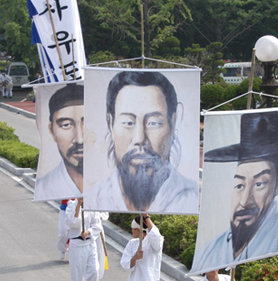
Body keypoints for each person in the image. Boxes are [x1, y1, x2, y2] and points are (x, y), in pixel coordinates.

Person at [194, 111, 278, 271]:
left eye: (259, 184)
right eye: (239, 186)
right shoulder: (209, 251)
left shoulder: (276, 241)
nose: (245, 201)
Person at [84, 71, 197, 213]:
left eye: (154, 123)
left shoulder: (191, 198)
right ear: (110, 124)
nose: (139, 139)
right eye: (128, 123)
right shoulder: (94, 199)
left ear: (172, 123)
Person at [35, 84, 84, 199]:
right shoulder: (45, 188)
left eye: (87, 123)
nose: (79, 139)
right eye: (66, 125)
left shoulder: (120, 189)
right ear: (51, 130)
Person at [121, 214, 164, 281]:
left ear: (137, 230)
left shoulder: (153, 244)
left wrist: (146, 217)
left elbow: (156, 237)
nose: (132, 232)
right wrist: (135, 257)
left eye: (133, 229)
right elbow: (125, 264)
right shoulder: (132, 243)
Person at [65, 198, 101, 281]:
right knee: (77, 272)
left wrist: (88, 231)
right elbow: (72, 223)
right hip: (76, 243)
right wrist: (78, 206)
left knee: (94, 270)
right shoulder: (71, 204)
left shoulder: (92, 205)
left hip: (90, 242)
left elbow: (97, 225)